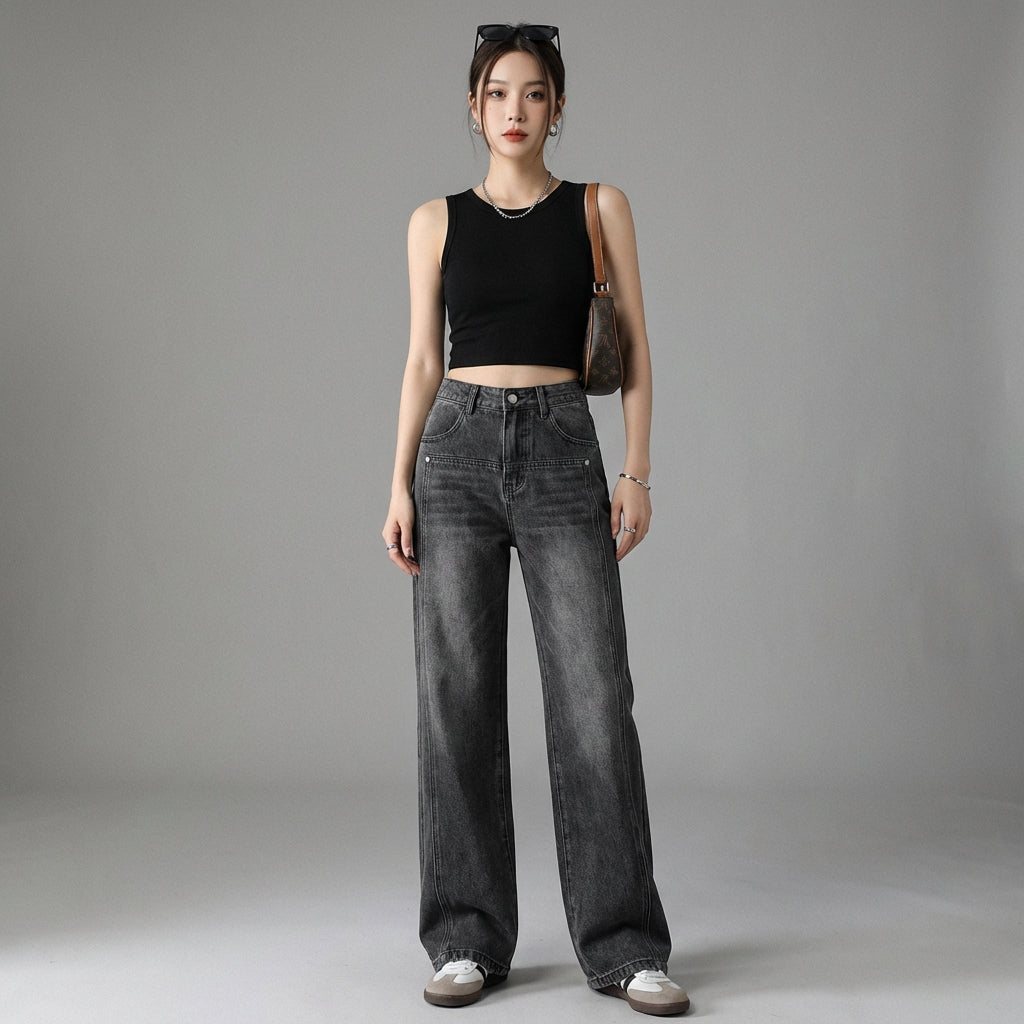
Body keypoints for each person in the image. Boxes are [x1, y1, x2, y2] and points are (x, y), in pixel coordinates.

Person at [381, 23, 689, 1017]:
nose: (515, 110)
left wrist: (637, 470)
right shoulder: (434, 221)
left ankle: (625, 945)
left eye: (534, 93)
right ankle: (465, 937)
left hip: (562, 450)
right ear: (473, 108)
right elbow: (422, 361)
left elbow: (635, 347)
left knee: (595, 699)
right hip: (456, 454)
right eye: (497, 93)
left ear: (557, 108)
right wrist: (397, 482)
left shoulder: (599, 207)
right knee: (456, 701)